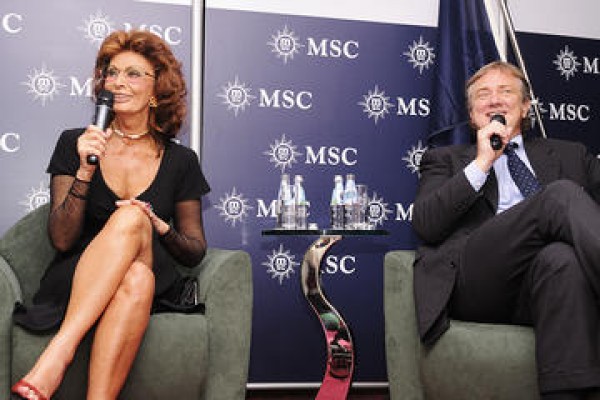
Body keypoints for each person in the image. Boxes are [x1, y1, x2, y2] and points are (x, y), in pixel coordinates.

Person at [11, 29, 210, 400]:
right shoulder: (76, 142)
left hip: (156, 266)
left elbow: (194, 251)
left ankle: (58, 352)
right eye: (112, 73)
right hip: (82, 275)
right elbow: (62, 239)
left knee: (133, 218)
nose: (117, 82)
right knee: (135, 279)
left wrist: (158, 225)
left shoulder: (182, 160)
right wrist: (85, 169)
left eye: (133, 74)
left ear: (157, 91)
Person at [412, 60, 600, 399]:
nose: (495, 100)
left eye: (506, 91)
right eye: (483, 94)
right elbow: (427, 225)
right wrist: (482, 162)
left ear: (525, 107)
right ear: (472, 115)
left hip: (541, 284)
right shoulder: (445, 159)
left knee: (563, 261)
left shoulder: (572, 155)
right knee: (559, 194)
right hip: (479, 281)